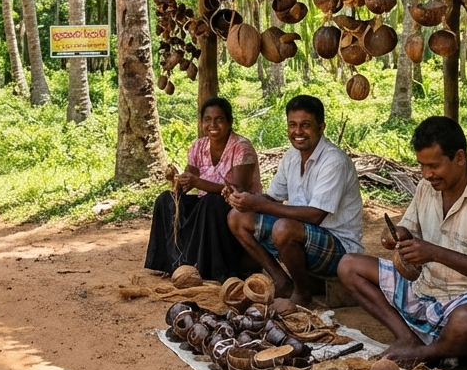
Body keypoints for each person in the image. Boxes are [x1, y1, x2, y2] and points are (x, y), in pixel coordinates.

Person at [336, 116, 467, 365]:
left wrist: (434, 253)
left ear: (460, 158)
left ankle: (427, 353)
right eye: (421, 166)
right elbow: (408, 228)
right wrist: (397, 235)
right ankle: (407, 338)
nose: (426, 174)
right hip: (426, 288)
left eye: (433, 166)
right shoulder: (427, 187)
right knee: (349, 265)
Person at [225, 95, 363, 306]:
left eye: (305, 125)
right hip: (305, 236)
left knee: (284, 228)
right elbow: (271, 198)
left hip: (340, 248)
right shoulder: (291, 156)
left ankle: (302, 294)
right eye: (293, 125)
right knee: (237, 217)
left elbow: (315, 216)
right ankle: (282, 282)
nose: (298, 132)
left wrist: (259, 204)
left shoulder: (334, 161)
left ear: (321, 127)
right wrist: (243, 197)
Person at [145, 97, 260, 282]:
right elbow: (186, 184)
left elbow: (238, 190)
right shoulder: (198, 146)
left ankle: (216, 269)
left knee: (211, 202)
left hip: (236, 210)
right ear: (202, 122)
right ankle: (176, 264)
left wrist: (198, 183)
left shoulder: (241, 148)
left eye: (219, 119)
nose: (212, 124)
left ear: (229, 122)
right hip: (207, 209)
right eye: (207, 119)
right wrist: (175, 180)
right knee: (165, 199)